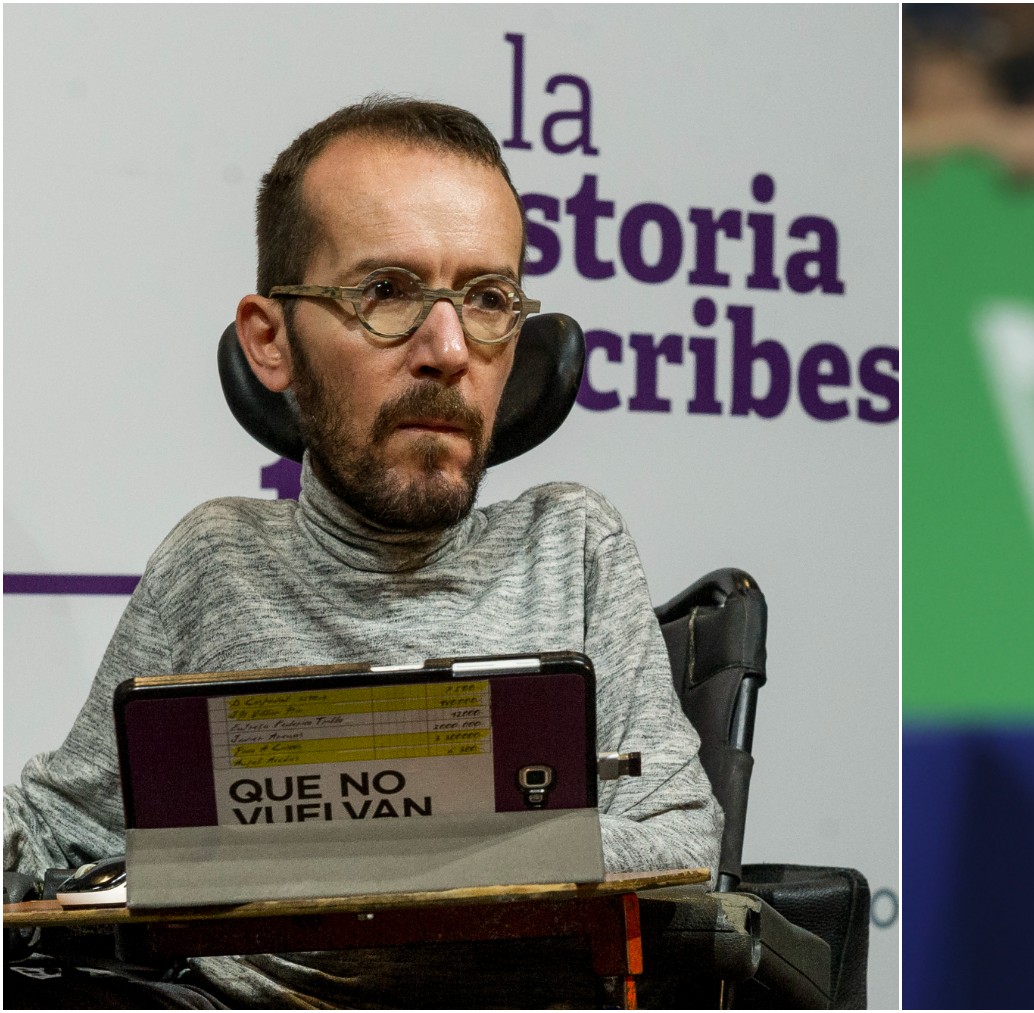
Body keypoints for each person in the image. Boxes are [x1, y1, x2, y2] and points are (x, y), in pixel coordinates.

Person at [3, 97, 722, 1007]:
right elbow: (56, 826)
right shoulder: (215, 559)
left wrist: (379, 835)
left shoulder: (569, 545)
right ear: (272, 340)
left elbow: (680, 836)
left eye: (490, 299)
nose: (450, 348)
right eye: (386, 290)